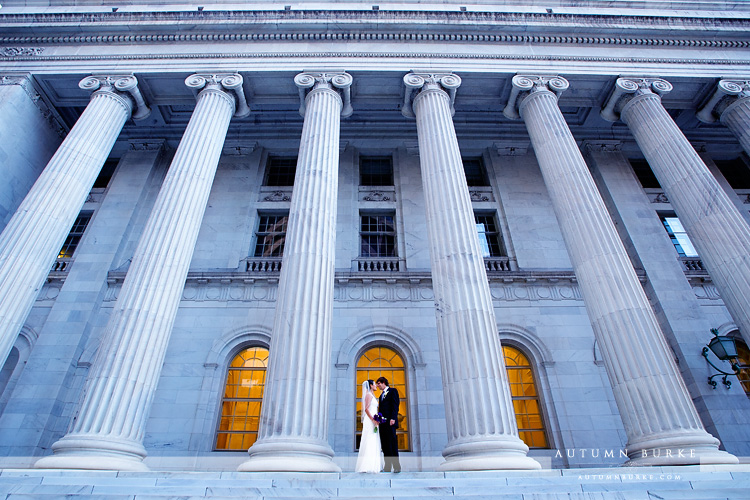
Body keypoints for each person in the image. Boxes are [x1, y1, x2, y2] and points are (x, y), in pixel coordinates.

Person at [355, 379, 383, 473]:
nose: (376, 386)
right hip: (370, 420)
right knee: (369, 440)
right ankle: (367, 466)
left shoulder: (372, 395)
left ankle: (373, 465)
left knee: (373, 440)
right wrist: (373, 419)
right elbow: (366, 409)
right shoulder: (368, 395)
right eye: (374, 384)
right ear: (371, 385)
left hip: (374, 420)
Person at [376, 376, 401, 473]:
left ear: (383, 382)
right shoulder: (380, 396)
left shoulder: (393, 391)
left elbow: (395, 405)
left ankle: (397, 466)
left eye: (378, 384)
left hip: (391, 422)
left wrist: (393, 418)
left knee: (392, 444)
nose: (378, 386)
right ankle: (387, 467)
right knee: (385, 445)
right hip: (383, 424)